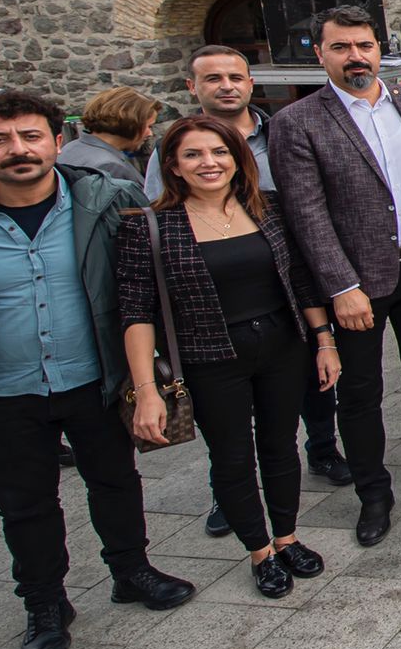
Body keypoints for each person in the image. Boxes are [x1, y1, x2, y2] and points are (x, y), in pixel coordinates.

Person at [0, 90, 195, 649]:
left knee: (116, 480)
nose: (18, 150)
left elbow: (145, 284)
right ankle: (45, 603)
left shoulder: (105, 201)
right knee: (25, 505)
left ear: (57, 141)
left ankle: (130, 570)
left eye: (31, 136)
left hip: (94, 379)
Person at [270, 5, 401, 549]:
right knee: (361, 391)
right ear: (320, 54)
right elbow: (306, 214)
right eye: (341, 47)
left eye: (364, 46)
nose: (355, 57)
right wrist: (342, 287)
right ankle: (373, 491)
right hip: (357, 283)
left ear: (379, 50)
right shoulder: (298, 122)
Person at [118, 116, 339, 597]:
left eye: (219, 152)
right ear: (173, 166)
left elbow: (299, 279)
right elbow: (136, 312)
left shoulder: (268, 209)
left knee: (281, 446)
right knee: (232, 457)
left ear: (237, 158)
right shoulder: (149, 226)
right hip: (211, 358)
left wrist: (324, 341)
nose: (209, 163)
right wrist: (146, 390)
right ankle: (260, 552)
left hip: (282, 346)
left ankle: (287, 538)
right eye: (193, 154)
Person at [145, 44, 351, 492]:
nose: (226, 87)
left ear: (250, 83)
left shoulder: (285, 131)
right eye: (213, 79)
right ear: (192, 86)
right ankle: (232, 492)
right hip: (217, 294)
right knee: (228, 421)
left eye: (235, 77)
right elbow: (159, 220)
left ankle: (322, 449)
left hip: (290, 278)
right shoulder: (175, 146)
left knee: (313, 381)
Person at [57, 87, 159, 187]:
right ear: (131, 124)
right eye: (149, 126)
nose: (150, 133)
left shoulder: (72, 147)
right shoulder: (109, 167)